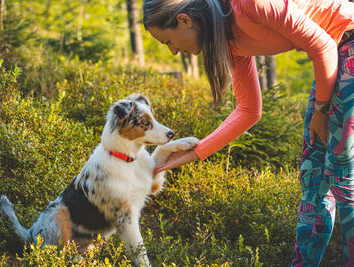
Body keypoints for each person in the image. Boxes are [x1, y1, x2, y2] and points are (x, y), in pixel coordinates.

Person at [142, 0, 354, 265]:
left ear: (185, 20)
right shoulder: (227, 39)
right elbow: (249, 109)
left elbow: (321, 45)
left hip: (347, 40)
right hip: (336, 51)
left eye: (167, 41)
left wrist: (322, 110)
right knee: (313, 179)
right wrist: (197, 152)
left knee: (341, 175)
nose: (173, 52)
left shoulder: (248, 4)